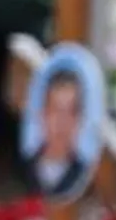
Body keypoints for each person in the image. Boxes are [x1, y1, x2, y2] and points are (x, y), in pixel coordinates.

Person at [26, 65, 92, 201]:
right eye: (55, 110)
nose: (62, 122)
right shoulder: (24, 167)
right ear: (43, 114)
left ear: (79, 120)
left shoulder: (85, 175)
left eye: (70, 112)